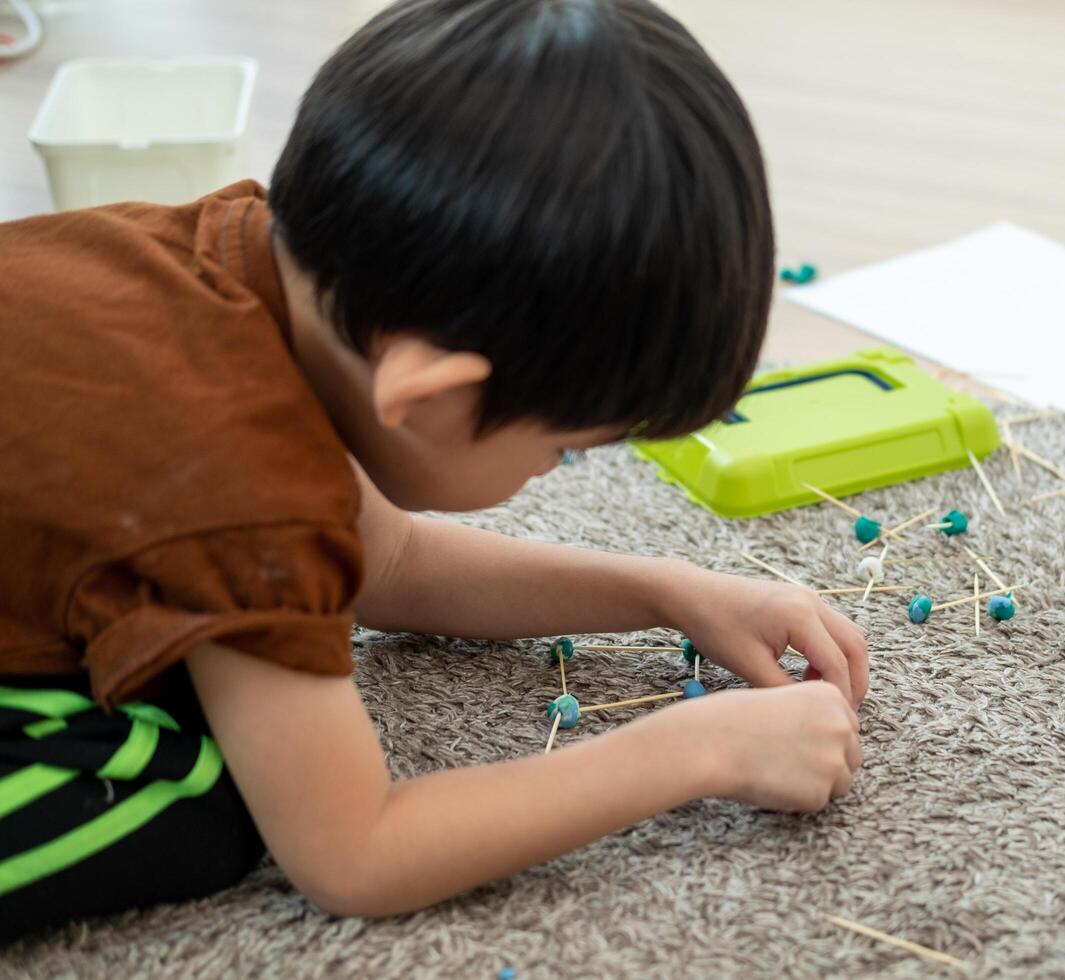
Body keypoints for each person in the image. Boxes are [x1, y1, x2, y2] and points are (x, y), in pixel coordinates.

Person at [0, 0, 867, 940]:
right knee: (205, 796)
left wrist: (668, 590)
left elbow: (390, 563)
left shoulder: (239, 257)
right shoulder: (243, 498)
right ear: (430, 395)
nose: (556, 469)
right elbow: (354, 853)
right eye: (562, 449)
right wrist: (694, 752)